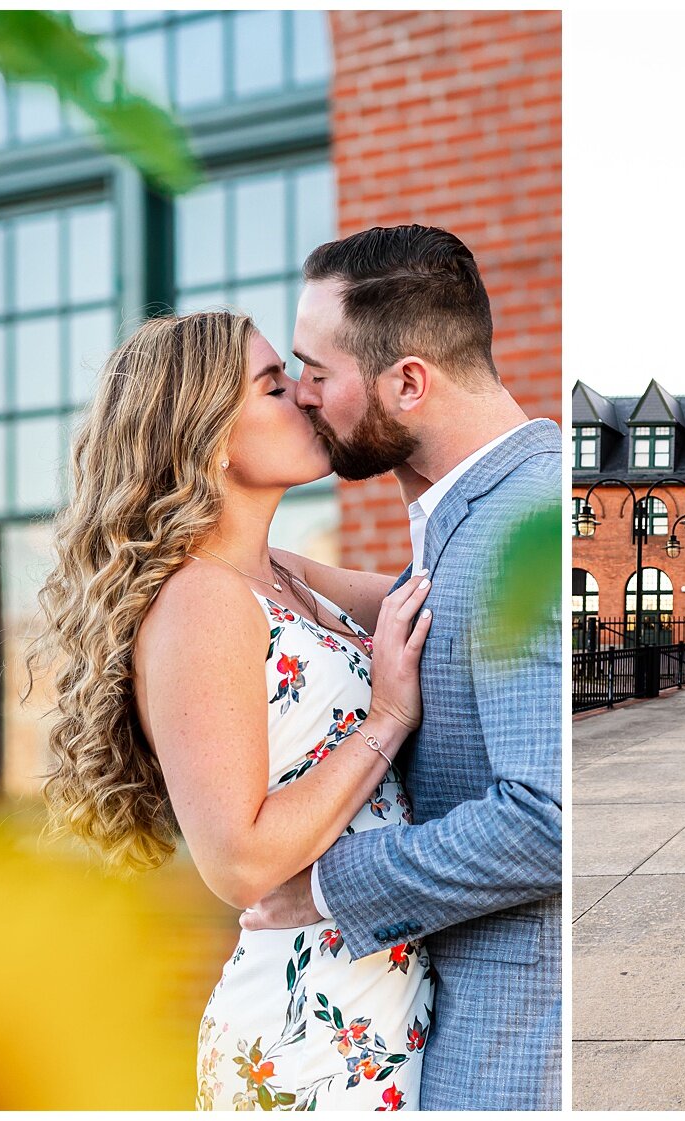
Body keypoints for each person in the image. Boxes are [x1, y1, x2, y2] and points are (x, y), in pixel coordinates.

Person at [33, 310, 438, 1109]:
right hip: (308, 1033)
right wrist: (387, 717)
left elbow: (438, 596)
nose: (307, 399)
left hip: (373, 1006)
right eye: (275, 386)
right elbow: (239, 861)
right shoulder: (201, 602)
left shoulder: (279, 574)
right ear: (209, 435)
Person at [240, 225, 563, 1110]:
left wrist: (328, 888)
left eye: (316, 370)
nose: (302, 396)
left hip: (516, 1052)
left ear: (408, 382)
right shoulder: (475, 513)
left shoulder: (520, 528)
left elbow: (552, 818)